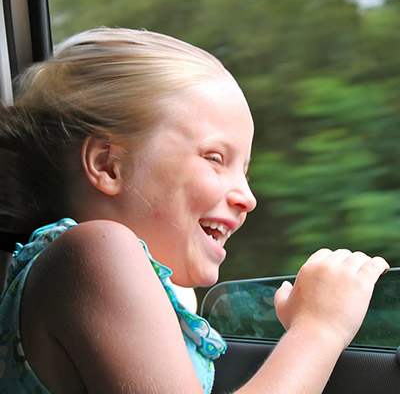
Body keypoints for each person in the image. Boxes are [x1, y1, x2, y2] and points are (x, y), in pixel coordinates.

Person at [0, 27, 389, 394]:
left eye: (245, 170)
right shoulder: (97, 251)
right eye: (216, 157)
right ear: (108, 165)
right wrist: (318, 329)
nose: (248, 198)